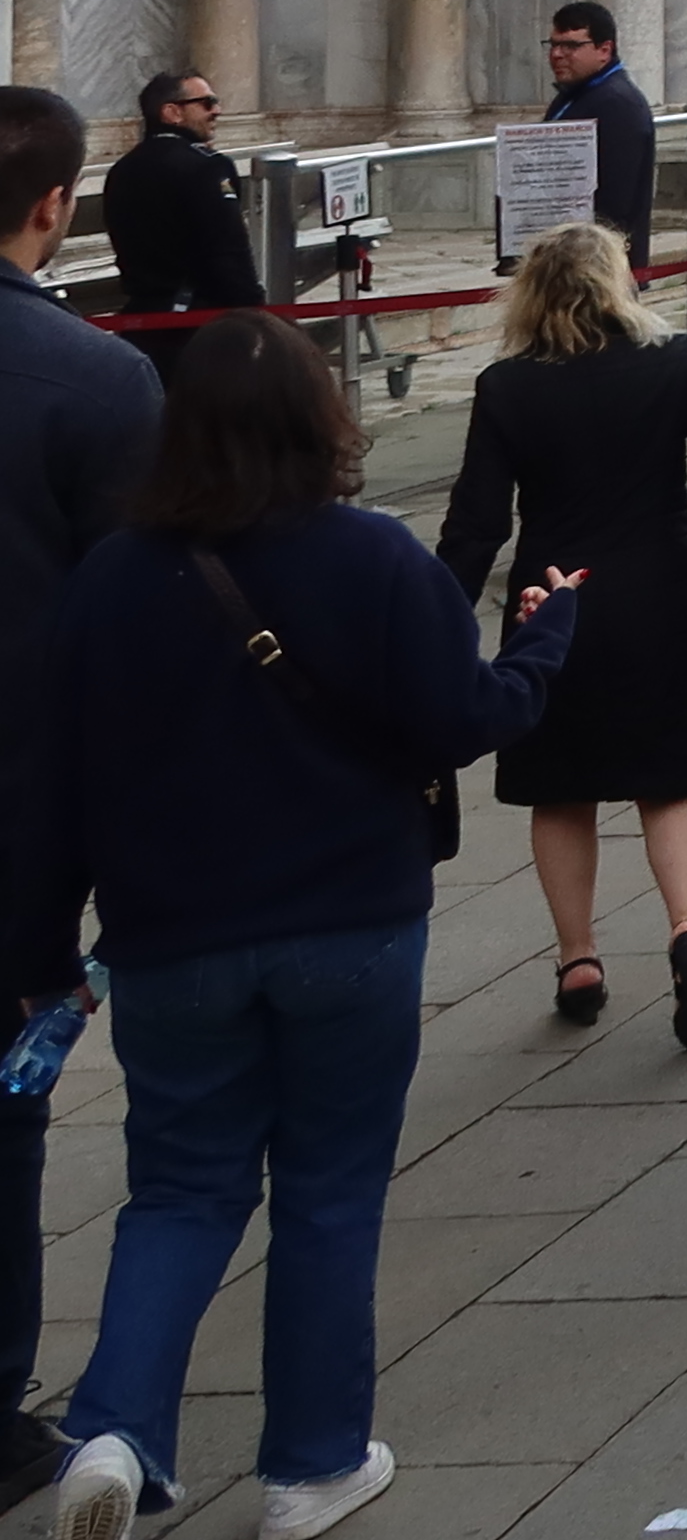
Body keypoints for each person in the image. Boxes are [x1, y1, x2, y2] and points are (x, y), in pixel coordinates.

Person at [25, 318, 580, 1540]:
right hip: (351, 918)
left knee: (176, 1188)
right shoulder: (373, 558)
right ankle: (312, 1464)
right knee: (329, 1189)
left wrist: (42, 948)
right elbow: (461, 715)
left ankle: (118, 1429)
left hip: (171, 933)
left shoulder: (112, 578)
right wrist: (541, 643)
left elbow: (55, 780)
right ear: (321, 422)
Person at [432, 226, 687, 1045]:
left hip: (550, 604)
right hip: (661, 592)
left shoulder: (505, 387)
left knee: (561, 787)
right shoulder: (675, 363)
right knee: (671, 777)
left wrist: (442, 616)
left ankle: (578, 957)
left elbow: (477, 521)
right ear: (619, 283)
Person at [0, 91, 154, 1505]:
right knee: (4, 1111)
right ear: (55, 209)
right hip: (20, 823)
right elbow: (137, 626)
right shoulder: (94, 381)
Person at [98, 75, 258, 349]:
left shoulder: (122, 169)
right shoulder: (207, 168)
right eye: (207, 103)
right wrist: (257, 313)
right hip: (201, 325)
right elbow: (229, 252)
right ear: (172, 112)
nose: (216, 111)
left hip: (142, 320)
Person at [542, 4, 659, 268]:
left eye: (571, 46)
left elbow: (617, 198)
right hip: (566, 251)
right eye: (553, 45)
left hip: (597, 263)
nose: (557, 55)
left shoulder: (617, 103)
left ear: (604, 50)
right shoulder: (574, 94)